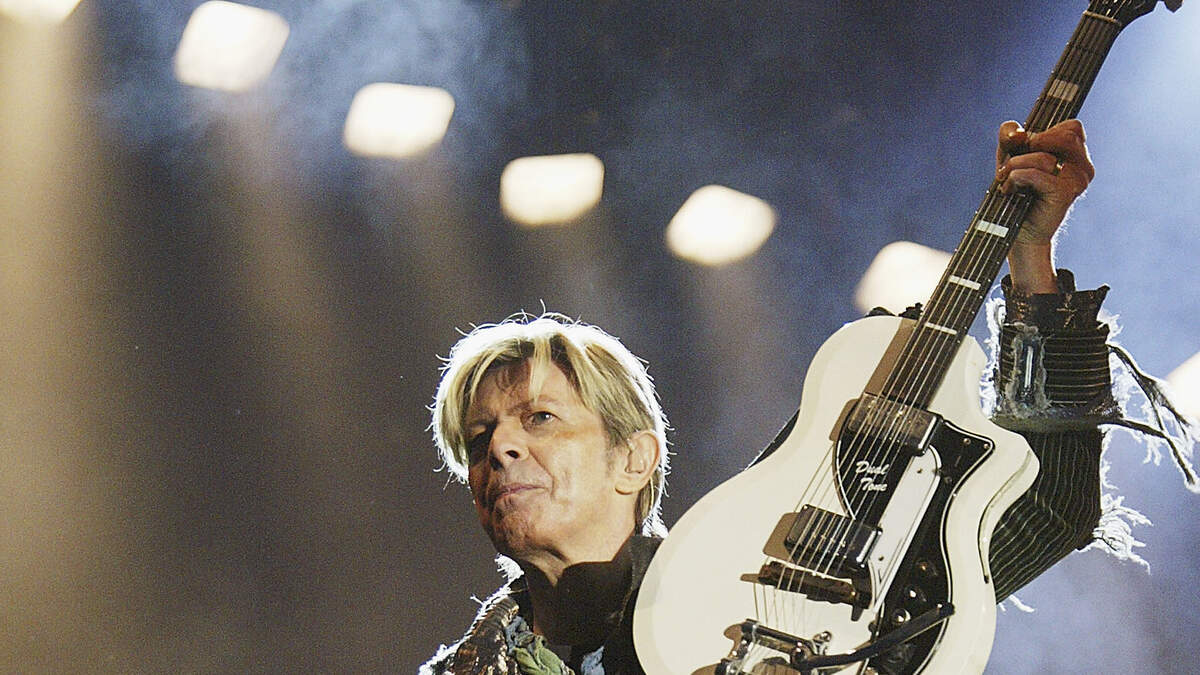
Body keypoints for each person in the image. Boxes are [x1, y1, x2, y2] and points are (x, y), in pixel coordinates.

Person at [419, 119, 1156, 674]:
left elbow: (1051, 508)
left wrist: (1030, 258)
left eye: (540, 418)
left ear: (635, 458)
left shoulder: (785, 590)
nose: (501, 448)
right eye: (478, 438)